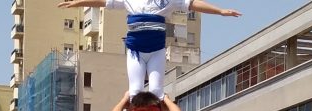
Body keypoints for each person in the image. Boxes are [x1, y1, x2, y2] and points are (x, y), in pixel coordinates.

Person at [58, 0, 239, 99]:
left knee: (156, 91)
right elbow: (102, 2)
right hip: (136, 50)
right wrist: (78, 3)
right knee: (135, 90)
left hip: (156, 50)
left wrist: (221, 11)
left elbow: (193, 4)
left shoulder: (169, 0)